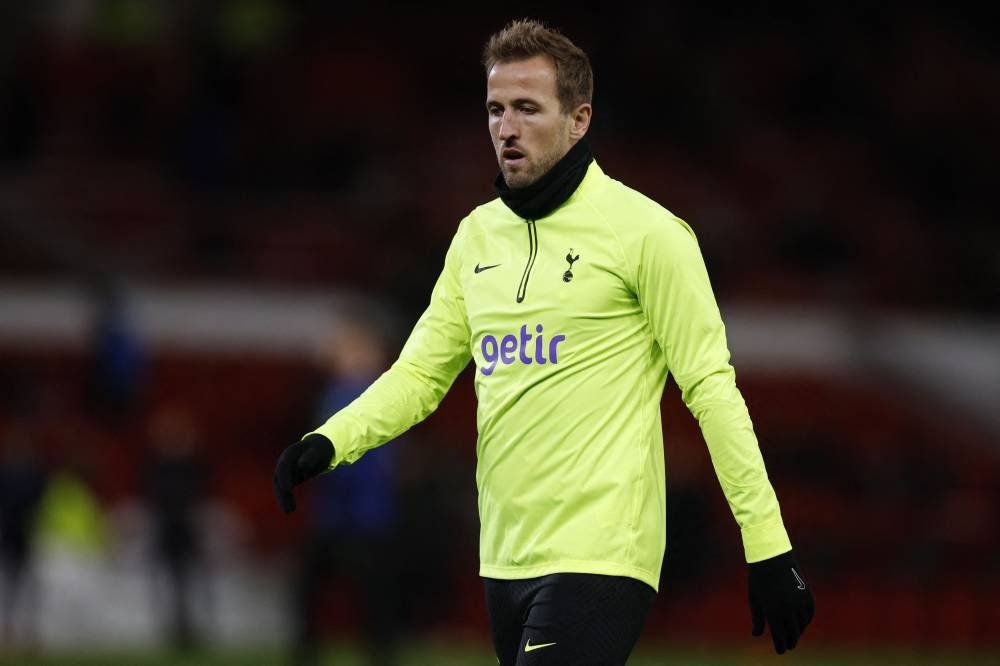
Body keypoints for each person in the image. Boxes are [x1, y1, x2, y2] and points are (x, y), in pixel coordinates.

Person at [274, 18, 814, 665]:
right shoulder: (475, 237)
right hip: (503, 555)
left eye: (528, 108)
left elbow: (711, 390)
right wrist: (330, 440)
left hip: (603, 552)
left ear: (579, 119)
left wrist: (769, 546)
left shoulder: (649, 235)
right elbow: (420, 376)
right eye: (496, 110)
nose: (507, 128)